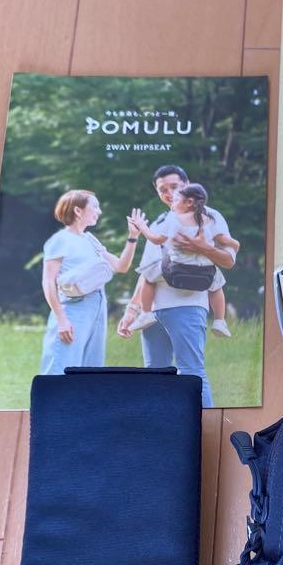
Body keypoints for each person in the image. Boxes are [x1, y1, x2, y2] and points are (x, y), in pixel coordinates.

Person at [118, 165, 236, 408]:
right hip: (153, 314)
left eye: (174, 187)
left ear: (187, 185)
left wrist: (204, 248)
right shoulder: (162, 221)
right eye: (163, 190)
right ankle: (159, 425)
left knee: (191, 372)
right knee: (155, 374)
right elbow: (147, 272)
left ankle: (205, 424)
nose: (169, 193)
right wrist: (132, 310)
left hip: (187, 306)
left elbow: (229, 261)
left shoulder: (211, 217)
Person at [39, 189, 137, 374]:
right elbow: (48, 282)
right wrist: (61, 319)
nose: (99, 211)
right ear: (78, 210)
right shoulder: (60, 240)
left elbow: (121, 266)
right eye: (95, 206)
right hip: (73, 309)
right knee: (61, 367)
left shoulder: (90, 239)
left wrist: (133, 237)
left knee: (90, 371)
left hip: (98, 308)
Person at [126, 182, 237, 338]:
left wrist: (142, 227)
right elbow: (224, 240)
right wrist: (236, 245)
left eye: (176, 199)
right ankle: (219, 320)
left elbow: (156, 240)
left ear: (189, 202)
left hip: (178, 266)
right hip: (205, 269)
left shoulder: (174, 219)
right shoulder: (210, 219)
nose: (172, 203)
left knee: (147, 276)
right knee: (217, 286)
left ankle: (146, 313)